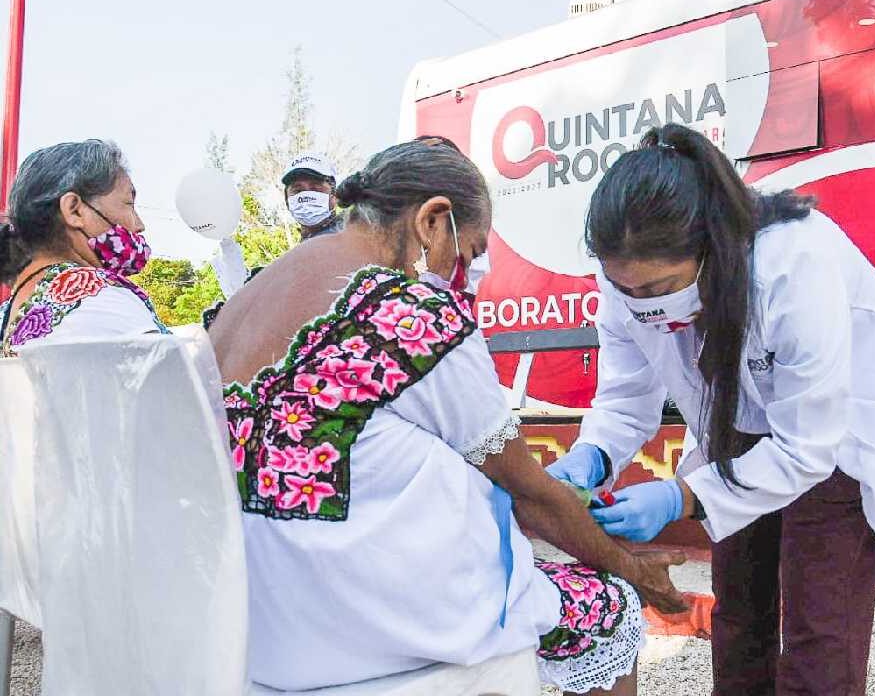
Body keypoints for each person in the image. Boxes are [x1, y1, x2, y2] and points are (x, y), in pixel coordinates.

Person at [206, 138, 685, 695]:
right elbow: (530, 495)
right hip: (376, 613)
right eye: (469, 253)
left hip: (265, 621)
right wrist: (635, 572)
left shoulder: (246, 296)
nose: (465, 276)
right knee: (608, 610)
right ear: (433, 221)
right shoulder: (411, 313)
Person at [546, 124, 875, 696]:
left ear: (711, 243)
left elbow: (806, 446)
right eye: (627, 291)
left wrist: (681, 496)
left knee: (821, 629)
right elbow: (624, 396)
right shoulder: (624, 281)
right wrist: (590, 458)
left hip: (837, 438)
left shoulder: (793, 261)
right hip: (734, 434)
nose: (643, 305)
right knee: (738, 611)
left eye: (659, 287)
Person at [0, 140, 166, 356]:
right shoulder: (103, 300)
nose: (139, 225)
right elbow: (179, 386)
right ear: (74, 210)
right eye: (128, 203)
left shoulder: (6, 314)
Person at [282, 151, 341, 239]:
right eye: (298, 191)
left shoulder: (355, 241)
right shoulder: (299, 250)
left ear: (334, 196)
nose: (306, 196)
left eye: (316, 189)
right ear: (287, 201)